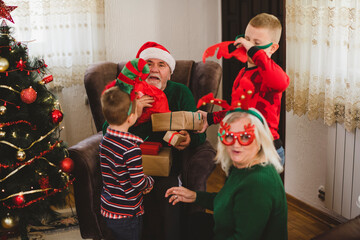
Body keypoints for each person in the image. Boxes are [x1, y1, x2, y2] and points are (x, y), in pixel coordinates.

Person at [165, 108, 288, 240]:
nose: (236, 144)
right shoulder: (241, 165)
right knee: (194, 221)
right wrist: (195, 196)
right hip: (226, 229)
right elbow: (230, 201)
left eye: (245, 137)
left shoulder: (258, 183)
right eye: (229, 136)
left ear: (260, 141)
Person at [130, 41, 207, 240]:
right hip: (130, 163)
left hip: (164, 166)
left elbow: (199, 130)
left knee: (169, 193)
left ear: (169, 72)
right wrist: (134, 113)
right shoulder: (129, 90)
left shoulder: (179, 92)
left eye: (161, 65)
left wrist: (190, 139)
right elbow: (107, 130)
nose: (154, 69)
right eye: (148, 63)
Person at [198, 13, 289, 165]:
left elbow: (281, 83)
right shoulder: (242, 73)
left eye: (256, 43)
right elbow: (238, 112)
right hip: (244, 146)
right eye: (247, 40)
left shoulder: (272, 74)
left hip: (264, 151)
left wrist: (252, 49)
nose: (248, 47)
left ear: (272, 47)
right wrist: (210, 118)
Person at [99, 61, 154, 240]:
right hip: (127, 213)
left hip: (108, 209)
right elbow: (138, 183)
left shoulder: (105, 139)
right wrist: (150, 182)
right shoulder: (131, 148)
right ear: (131, 118)